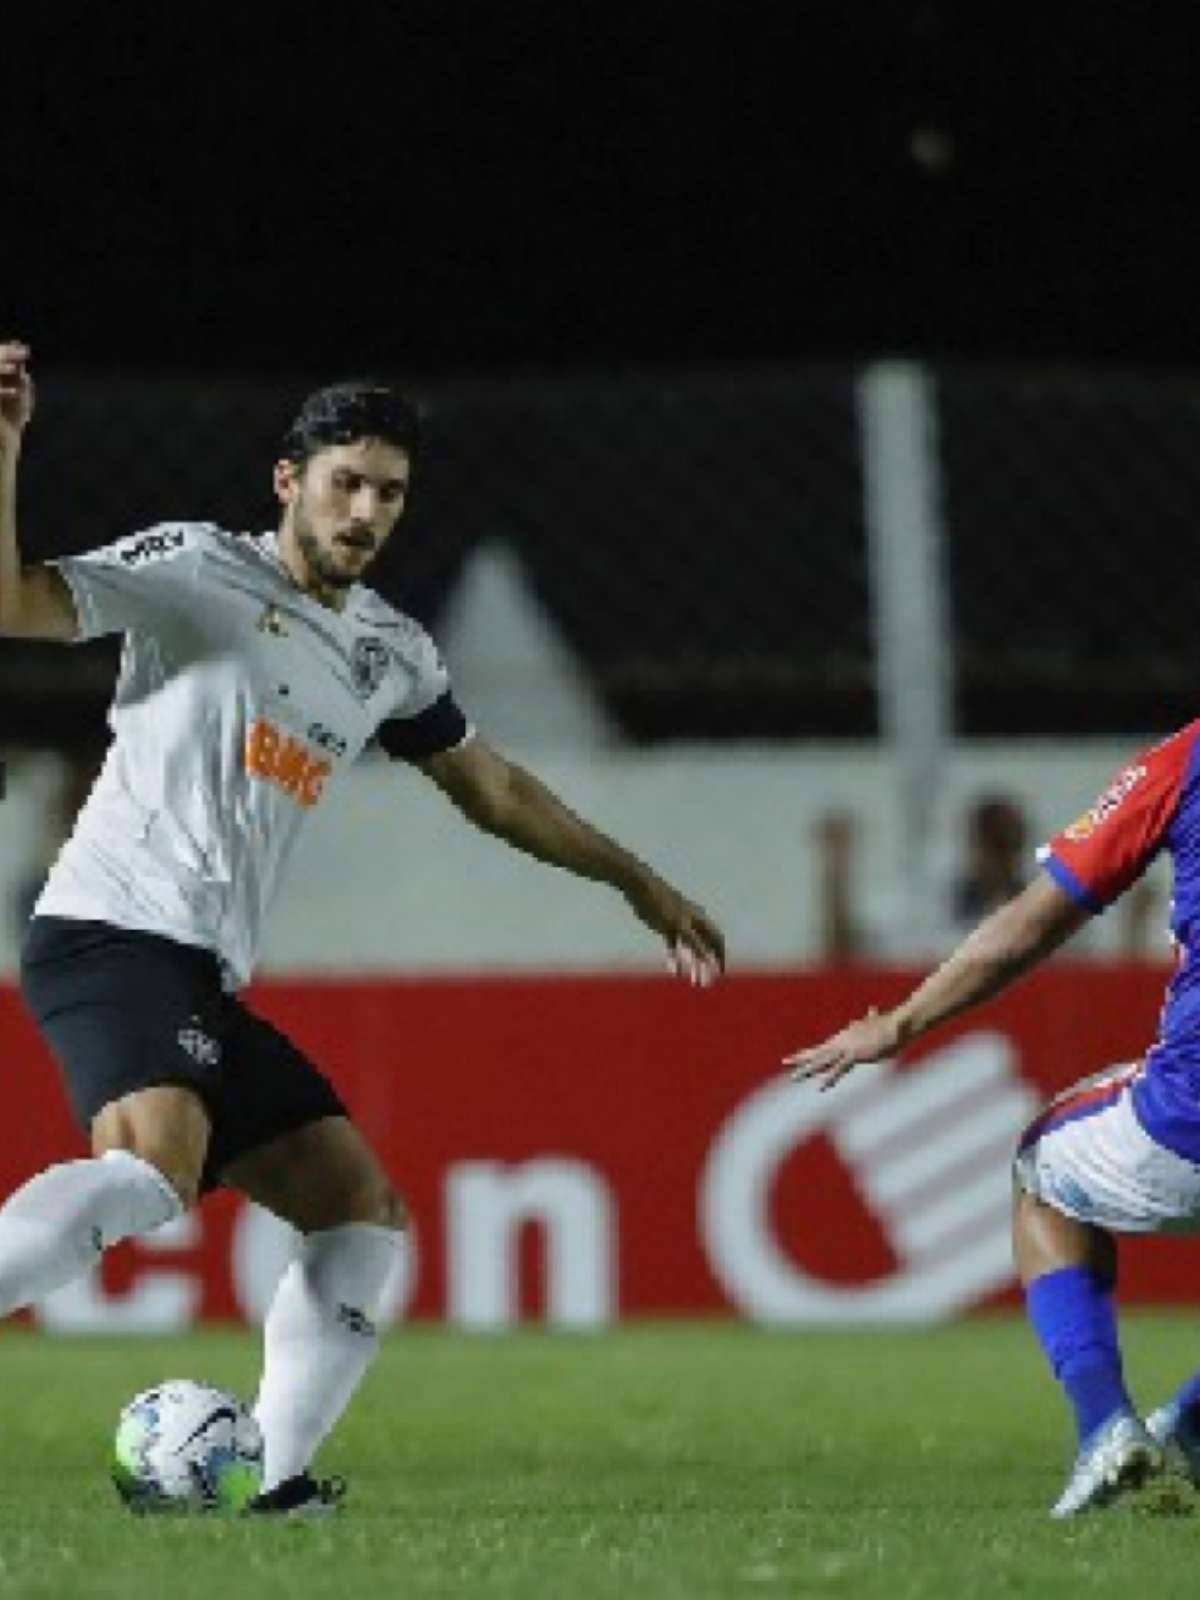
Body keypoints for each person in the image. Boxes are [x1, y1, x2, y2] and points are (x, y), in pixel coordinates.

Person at [0, 340, 724, 1515]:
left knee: (359, 1210)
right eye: (346, 481)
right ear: (289, 480)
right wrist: (6, 445)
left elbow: (492, 791)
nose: (367, 509)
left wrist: (630, 876)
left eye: (389, 491)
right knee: (147, 1172)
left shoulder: (389, 651)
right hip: (109, 931)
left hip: (202, 975)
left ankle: (274, 1482)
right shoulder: (194, 569)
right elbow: (12, 600)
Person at [787, 724, 1200, 1517]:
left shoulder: (1182, 763)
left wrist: (899, 1025)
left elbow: (1030, 924)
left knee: (1039, 1172)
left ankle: (1105, 1427)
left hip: (1189, 1122)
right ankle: (1188, 1429)